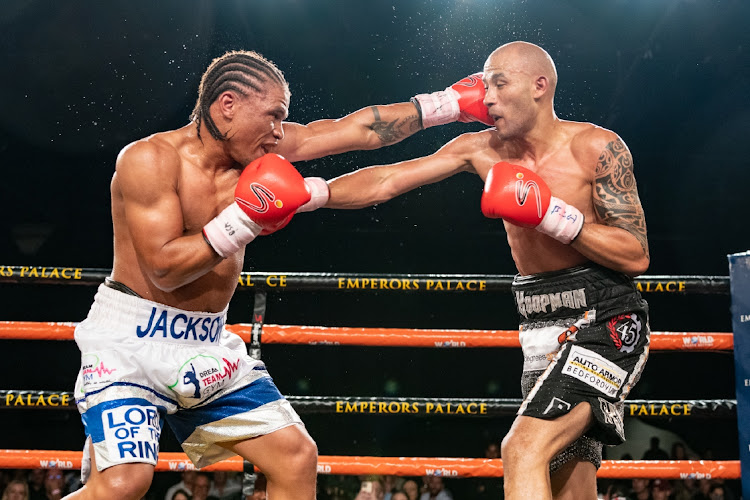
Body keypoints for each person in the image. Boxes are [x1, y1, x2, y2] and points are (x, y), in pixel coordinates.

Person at [64, 49, 489, 500]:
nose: (279, 132)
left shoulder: (256, 154)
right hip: (131, 340)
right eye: (273, 116)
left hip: (205, 342)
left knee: (294, 458)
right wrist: (246, 219)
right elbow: (165, 269)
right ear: (227, 104)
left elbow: (354, 130)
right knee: (123, 485)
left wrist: (450, 105)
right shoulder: (148, 160)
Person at [325, 41, 650, 500]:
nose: (486, 96)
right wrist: (311, 193)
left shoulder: (596, 147)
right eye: (484, 83)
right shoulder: (480, 149)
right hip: (538, 325)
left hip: (604, 321)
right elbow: (387, 179)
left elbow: (635, 254)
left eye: (499, 82)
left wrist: (551, 215)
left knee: (523, 448)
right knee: (570, 486)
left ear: (540, 86)